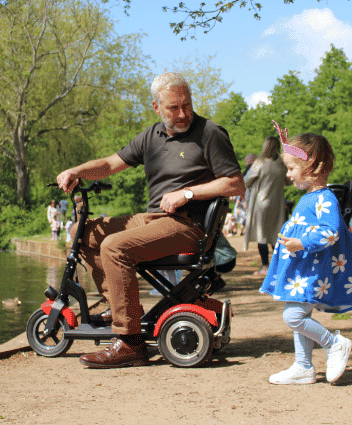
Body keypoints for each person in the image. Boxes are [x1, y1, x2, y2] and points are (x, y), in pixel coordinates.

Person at [55, 72, 244, 369]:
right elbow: (108, 165)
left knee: (115, 247)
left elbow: (235, 184)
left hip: (187, 225)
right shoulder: (151, 136)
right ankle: (123, 311)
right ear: (156, 107)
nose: (183, 114)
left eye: (187, 105)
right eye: (173, 108)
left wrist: (188, 193)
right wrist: (76, 171)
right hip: (154, 219)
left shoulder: (209, 133)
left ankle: (130, 343)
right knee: (88, 233)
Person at [260, 122, 352, 384]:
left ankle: (334, 344)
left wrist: (301, 243)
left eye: (292, 167)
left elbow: (330, 233)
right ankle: (304, 366)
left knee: (293, 316)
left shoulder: (324, 198)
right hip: (303, 270)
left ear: (314, 167)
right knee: (300, 313)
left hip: (312, 271)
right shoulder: (309, 197)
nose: (287, 174)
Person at [243, 137, 289, 274]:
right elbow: (289, 181)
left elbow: (246, 181)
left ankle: (265, 267)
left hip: (261, 203)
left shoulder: (260, 163)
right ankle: (279, 266)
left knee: (261, 235)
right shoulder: (282, 164)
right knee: (275, 234)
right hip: (277, 203)